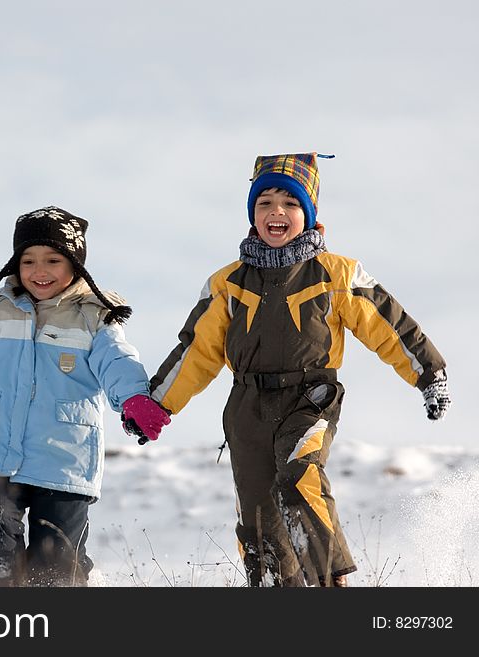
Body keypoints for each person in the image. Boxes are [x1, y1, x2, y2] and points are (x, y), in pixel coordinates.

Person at [145, 153, 450, 587]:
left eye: (290, 203)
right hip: (246, 406)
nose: (276, 212)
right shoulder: (228, 283)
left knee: (300, 478)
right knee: (257, 516)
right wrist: (157, 404)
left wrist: (429, 374)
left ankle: (330, 583)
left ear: (307, 214)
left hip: (309, 399)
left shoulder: (335, 273)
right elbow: (197, 350)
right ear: (252, 213)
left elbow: (389, 325)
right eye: (265, 202)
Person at [0, 206, 169, 587]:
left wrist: (133, 398)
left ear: (75, 265)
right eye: (28, 260)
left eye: (53, 260)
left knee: (55, 564)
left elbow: (118, 362)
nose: (39, 270)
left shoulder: (94, 316)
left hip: (64, 458)